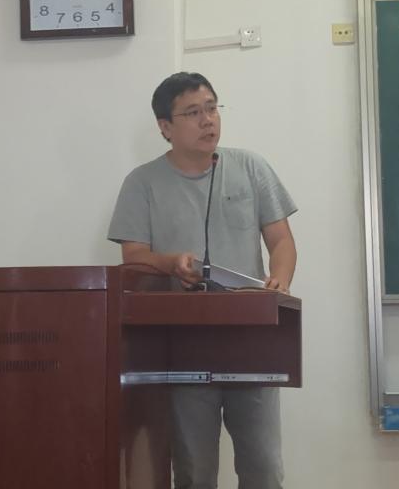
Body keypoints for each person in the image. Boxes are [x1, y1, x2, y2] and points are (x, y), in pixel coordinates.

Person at [108, 71, 297, 489]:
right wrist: (171, 263)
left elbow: (282, 241)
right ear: (165, 127)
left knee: (264, 467)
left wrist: (279, 281)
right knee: (194, 470)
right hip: (183, 344)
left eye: (212, 108)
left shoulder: (250, 167)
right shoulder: (141, 183)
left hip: (250, 340)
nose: (207, 119)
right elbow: (133, 258)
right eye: (193, 112)